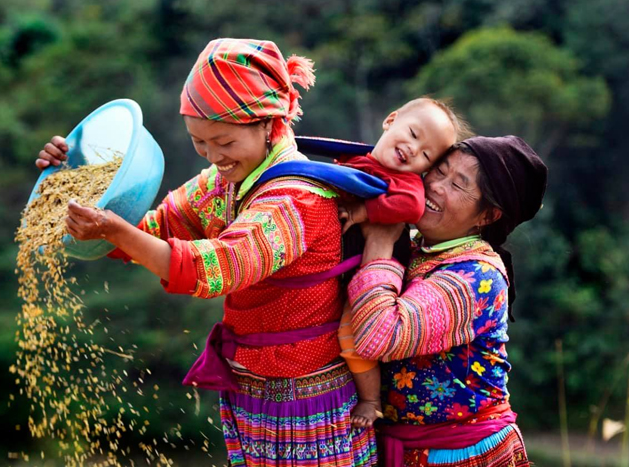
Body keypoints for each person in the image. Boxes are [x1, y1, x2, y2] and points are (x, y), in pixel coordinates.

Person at [37, 38, 377, 466]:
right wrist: (74, 176)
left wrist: (114, 230)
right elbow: (152, 231)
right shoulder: (226, 183)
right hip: (254, 390)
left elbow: (217, 268)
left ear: (270, 126)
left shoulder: (295, 200)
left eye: (225, 142)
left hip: (310, 402)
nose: (214, 156)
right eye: (200, 143)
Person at [347, 136, 547, 466]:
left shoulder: (476, 276)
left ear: (487, 216)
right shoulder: (414, 246)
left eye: (458, 184)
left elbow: (378, 337)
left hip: (462, 453)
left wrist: (379, 246)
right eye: (438, 171)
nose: (436, 186)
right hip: (402, 446)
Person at [334, 98, 470, 429]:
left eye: (425, 155)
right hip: (345, 265)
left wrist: (364, 213)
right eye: (411, 134)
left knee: (349, 338)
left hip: (380, 271)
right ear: (390, 119)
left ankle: (369, 399)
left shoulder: (405, 184)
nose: (412, 150)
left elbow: (409, 207)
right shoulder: (357, 161)